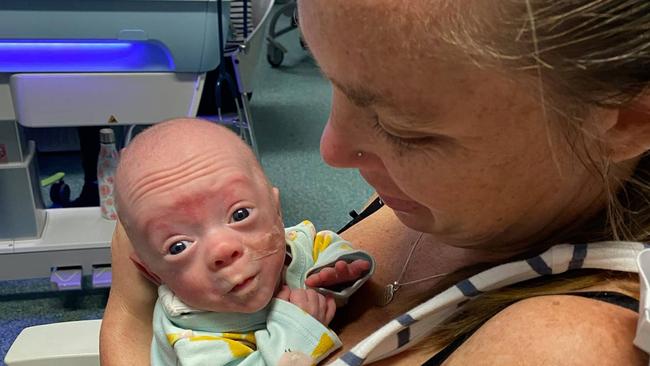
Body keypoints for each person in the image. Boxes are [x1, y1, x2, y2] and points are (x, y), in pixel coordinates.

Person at [100, 0, 650, 364]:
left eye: (403, 127)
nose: (331, 150)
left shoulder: (560, 347)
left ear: (628, 119)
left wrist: (130, 309)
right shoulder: (450, 196)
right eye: (331, 80)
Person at [112, 118, 375, 365]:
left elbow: (327, 244)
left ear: (276, 210)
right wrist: (298, 328)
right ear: (151, 271)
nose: (223, 249)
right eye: (178, 246)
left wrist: (337, 272)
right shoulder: (190, 334)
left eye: (240, 215)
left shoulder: (294, 243)